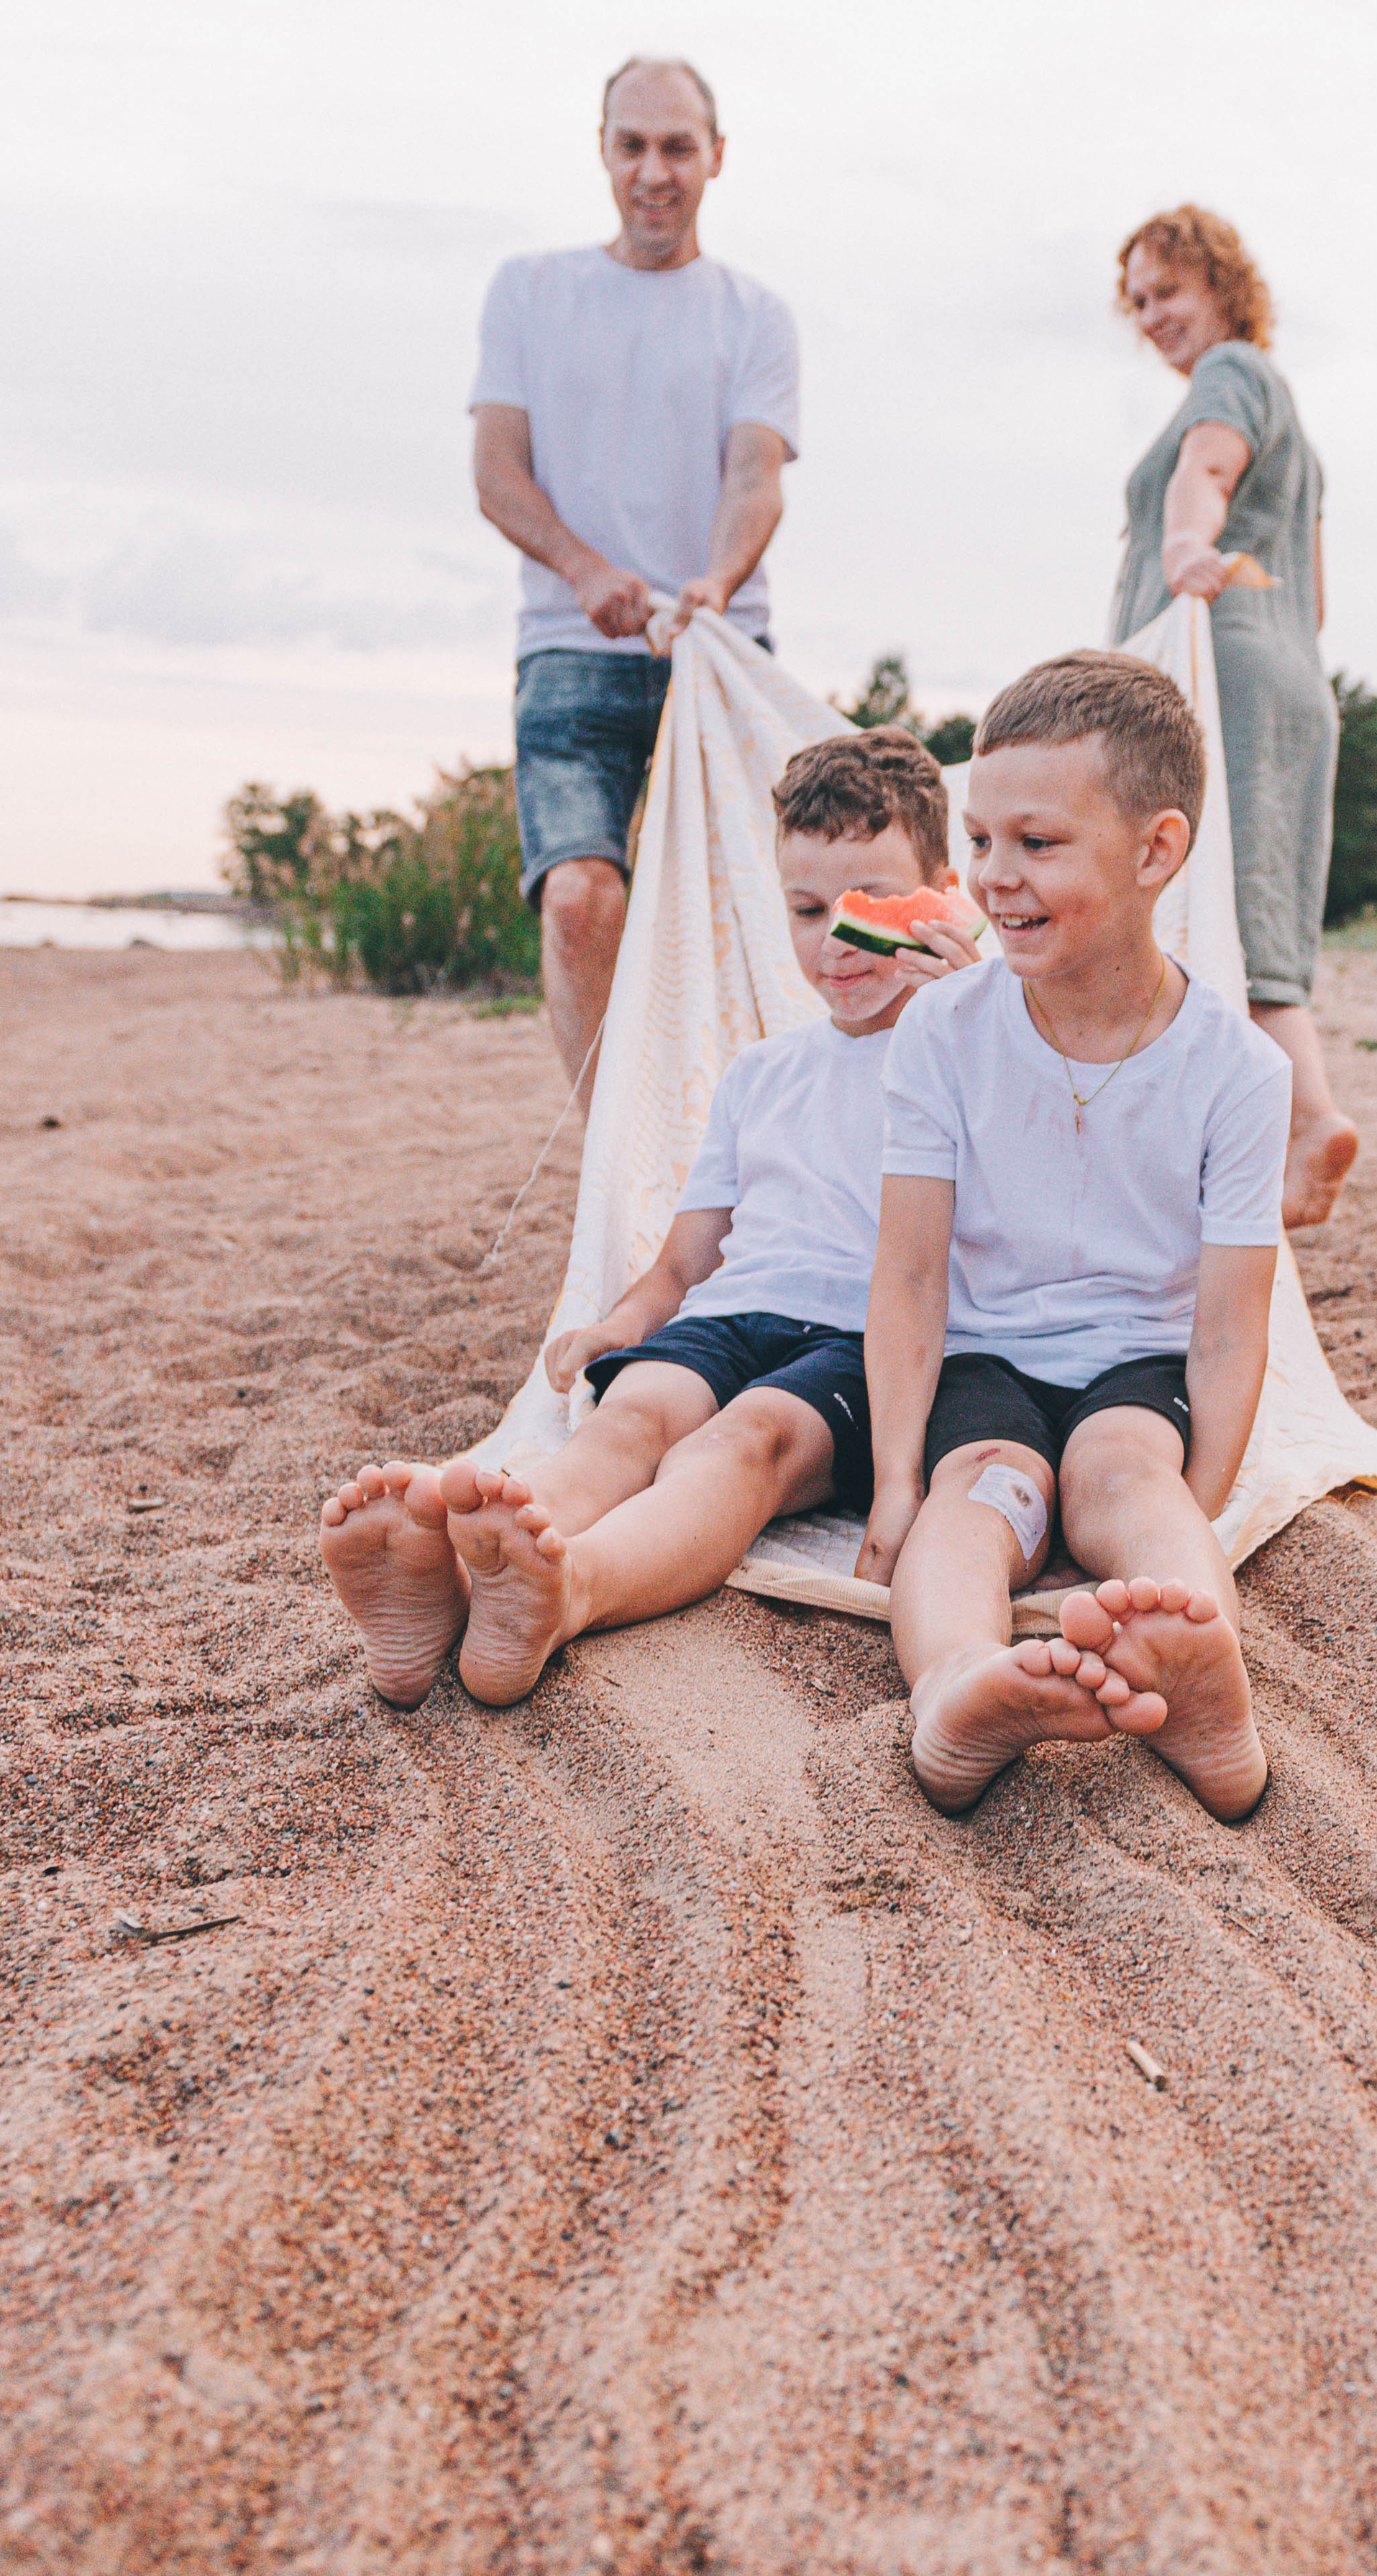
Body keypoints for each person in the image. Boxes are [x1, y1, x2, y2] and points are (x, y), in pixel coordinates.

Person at [319, 730, 978, 1711]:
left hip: (865, 1341)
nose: (839, 942)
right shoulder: (762, 1074)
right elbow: (686, 1263)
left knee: (739, 1444)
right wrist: (619, 1324)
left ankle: (570, 1591)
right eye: (807, 910)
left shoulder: (980, 1046)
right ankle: (454, 1581)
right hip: (735, 1314)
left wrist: (968, 1004)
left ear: (943, 893)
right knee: (630, 1421)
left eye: (872, 908)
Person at [855, 653, 1288, 1824]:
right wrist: (894, 1484)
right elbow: (906, 1274)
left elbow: (1231, 1328)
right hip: (988, 1358)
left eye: (1036, 845)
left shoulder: (1240, 1069)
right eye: (981, 842)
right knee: (981, 1491)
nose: (995, 879)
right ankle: (954, 1690)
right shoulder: (943, 1029)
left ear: (1154, 852)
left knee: (1123, 1479)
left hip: (1134, 1368)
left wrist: (1197, 1504)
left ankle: (1207, 1680)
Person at [470, 55, 800, 1091]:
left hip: (721, 651)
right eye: (633, 146)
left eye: (677, 148)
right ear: (604, 152)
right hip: (570, 651)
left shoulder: (755, 314)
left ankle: (746, 1138)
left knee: (749, 913)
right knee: (580, 901)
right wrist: (584, 569)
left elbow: (756, 479)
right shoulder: (528, 290)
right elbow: (496, 472)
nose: (654, 171)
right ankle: (617, 1151)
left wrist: (713, 580)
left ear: (716, 157)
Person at [1112, 203, 1357, 1230]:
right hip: (1290, 673)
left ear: (1220, 282)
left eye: (1168, 289)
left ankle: (1307, 1120)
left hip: (1233, 678)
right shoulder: (1284, 407)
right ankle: (1293, 1121)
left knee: (1218, 914)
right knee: (1258, 913)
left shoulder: (1233, 376)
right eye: (1137, 302)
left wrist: (1179, 554)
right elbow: (1316, 595)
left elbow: (1202, 471)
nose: (1153, 314)